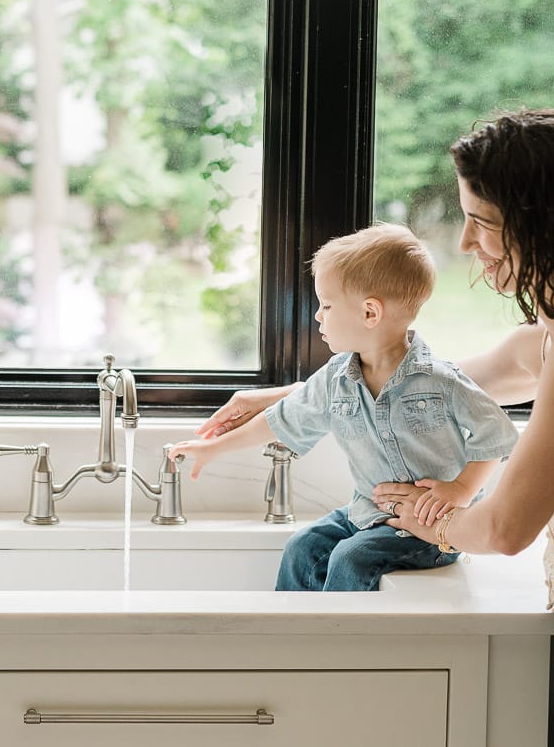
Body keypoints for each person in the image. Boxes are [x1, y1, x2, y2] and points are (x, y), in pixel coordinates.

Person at [201, 109, 554, 745]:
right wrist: (271, 400)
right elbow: (419, 386)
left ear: (543, 224)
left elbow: (502, 529)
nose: (468, 244)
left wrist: (414, 515)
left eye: (483, 222)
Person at [172, 223, 519, 592]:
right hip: (369, 512)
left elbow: (498, 435)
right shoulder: (335, 378)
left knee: (351, 558)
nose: (318, 316)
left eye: (326, 305)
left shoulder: (441, 381)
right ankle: (293, 629)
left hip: (429, 528)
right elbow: (280, 420)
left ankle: (336, 631)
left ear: (370, 313)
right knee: (302, 547)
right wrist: (213, 448)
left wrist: (460, 490)